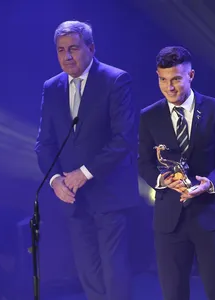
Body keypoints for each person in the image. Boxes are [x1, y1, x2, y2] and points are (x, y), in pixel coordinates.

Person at [34, 20, 139, 300]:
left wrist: (85, 172)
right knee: (88, 273)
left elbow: (123, 139)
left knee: (114, 270)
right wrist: (56, 181)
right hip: (73, 197)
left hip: (109, 193)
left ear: (91, 48)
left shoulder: (115, 80)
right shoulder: (52, 87)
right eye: (60, 50)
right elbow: (44, 144)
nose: (67, 56)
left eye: (74, 49)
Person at [138, 46, 215, 300]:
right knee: (173, 294)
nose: (169, 87)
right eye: (163, 80)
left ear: (191, 75)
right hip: (169, 221)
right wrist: (162, 181)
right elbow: (143, 163)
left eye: (175, 79)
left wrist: (211, 183)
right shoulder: (149, 116)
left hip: (211, 216)